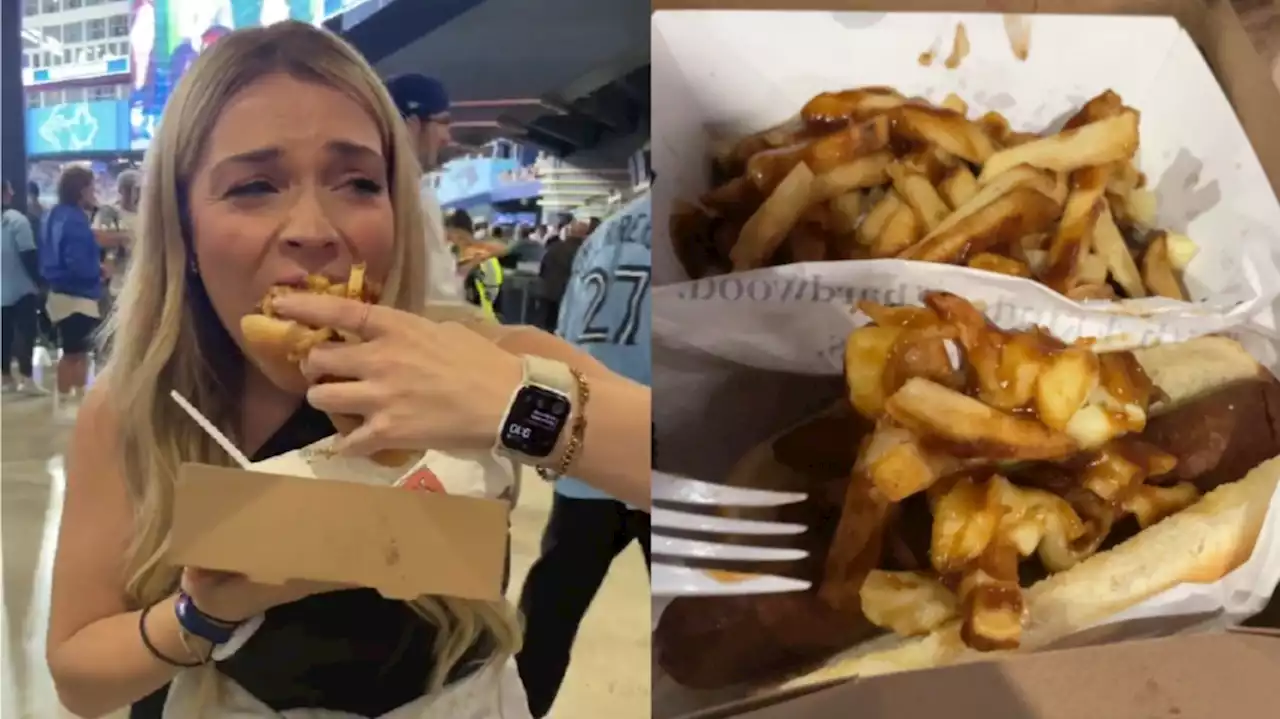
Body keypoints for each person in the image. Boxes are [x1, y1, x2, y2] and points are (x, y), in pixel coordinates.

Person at [46, 21, 650, 719]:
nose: (314, 227)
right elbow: (78, 679)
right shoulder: (141, 404)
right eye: (254, 186)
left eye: (359, 181)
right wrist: (200, 615)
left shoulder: (472, 356)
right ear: (183, 224)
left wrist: (515, 404)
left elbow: (704, 468)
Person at [516, 190, 653, 718]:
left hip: (589, 449)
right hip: (650, 449)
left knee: (550, 609)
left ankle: (517, 709)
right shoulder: (693, 229)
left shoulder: (603, 234)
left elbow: (565, 334)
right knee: (691, 612)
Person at [384, 73, 466, 305]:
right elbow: (439, 299)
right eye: (443, 123)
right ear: (412, 124)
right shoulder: (415, 198)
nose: (447, 138)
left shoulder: (373, 190)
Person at [40, 165, 104, 407]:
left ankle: (69, 399)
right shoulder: (76, 220)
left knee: (70, 351)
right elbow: (76, 260)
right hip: (79, 294)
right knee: (75, 354)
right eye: (91, 187)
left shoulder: (53, 214)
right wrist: (96, 272)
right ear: (81, 189)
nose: (94, 192)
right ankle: (72, 401)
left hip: (57, 292)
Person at [2, 180, 47, 395]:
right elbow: (28, 254)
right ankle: (27, 379)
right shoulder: (17, 221)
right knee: (25, 333)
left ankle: (5, 378)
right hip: (22, 286)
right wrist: (39, 281)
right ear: (6, 194)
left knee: (3, 334)